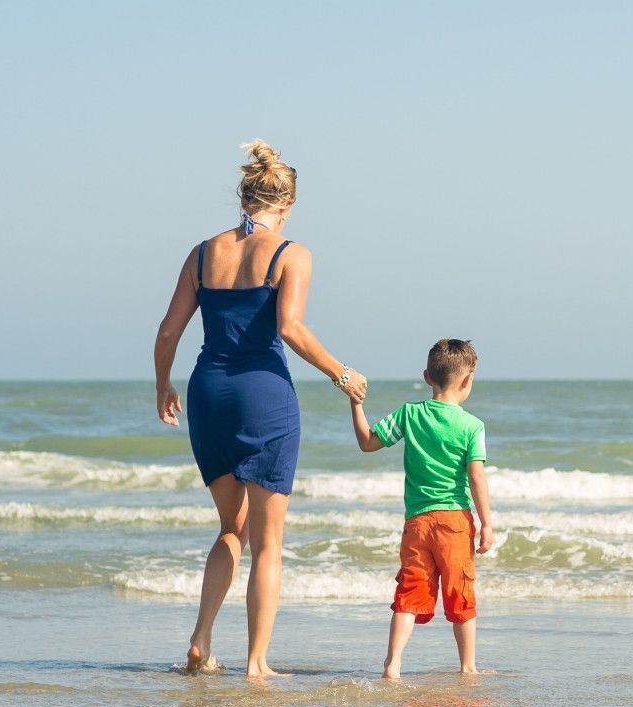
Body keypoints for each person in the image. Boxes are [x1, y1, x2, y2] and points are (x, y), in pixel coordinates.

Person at [153, 140, 367, 677]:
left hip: (208, 392)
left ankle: (201, 638)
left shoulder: (203, 252)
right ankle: (256, 663)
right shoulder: (291, 253)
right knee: (268, 544)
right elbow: (290, 328)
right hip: (263, 396)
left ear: (244, 196)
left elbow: (168, 331)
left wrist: (163, 386)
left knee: (232, 528)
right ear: (286, 204)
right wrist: (342, 374)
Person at [349, 339, 491, 679]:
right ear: (467, 381)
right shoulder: (472, 426)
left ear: (427, 377)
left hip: (417, 523)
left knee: (409, 591)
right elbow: (476, 477)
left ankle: (393, 664)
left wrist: (356, 404)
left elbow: (368, 443)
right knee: (460, 592)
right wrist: (487, 523)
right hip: (455, 521)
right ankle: (468, 666)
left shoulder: (409, 414)